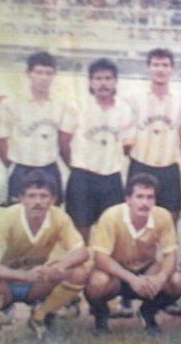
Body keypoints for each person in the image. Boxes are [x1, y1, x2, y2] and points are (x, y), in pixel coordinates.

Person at [0, 170, 90, 342]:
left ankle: (40, 317)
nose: (38, 202)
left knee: (79, 273)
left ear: (53, 199)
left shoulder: (58, 217)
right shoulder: (6, 218)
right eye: (32, 196)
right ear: (21, 198)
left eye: (44, 196)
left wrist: (60, 266)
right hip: (6, 283)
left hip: (37, 282)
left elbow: (82, 252)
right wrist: (23, 275)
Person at [84, 173, 181, 333]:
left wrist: (160, 278)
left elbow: (170, 254)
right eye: (139, 197)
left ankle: (148, 311)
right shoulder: (111, 216)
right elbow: (100, 258)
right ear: (128, 199)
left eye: (150, 197)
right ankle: (101, 314)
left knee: (177, 281)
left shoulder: (162, 216)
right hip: (116, 273)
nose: (145, 203)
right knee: (97, 282)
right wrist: (131, 279)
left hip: (146, 270)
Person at [60, 58, 133, 242]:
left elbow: (128, 145)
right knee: (80, 234)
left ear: (115, 82)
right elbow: (63, 142)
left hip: (111, 178)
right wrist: (75, 167)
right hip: (82, 177)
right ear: (90, 82)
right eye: (98, 78)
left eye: (108, 78)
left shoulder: (124, 109)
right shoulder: (77, 106)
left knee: (110, 233)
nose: (103, 83)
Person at [0, 51, 72, 206]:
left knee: (51, 214)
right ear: (28, 73)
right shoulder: (11, 103)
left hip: (50, 168)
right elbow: (0, 140)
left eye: (48, 73)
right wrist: (12, 166)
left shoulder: (61, 104)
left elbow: (63, 139)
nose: (44, 78)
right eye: (39, 72)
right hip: (21, 169)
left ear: (54, 75)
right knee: (18, 215)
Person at [126, 48, 181, 223]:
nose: (160, 69)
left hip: (169, 167)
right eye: (156, 65)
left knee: (170, 218)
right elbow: (125, 135)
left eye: (165, 65)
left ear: (172, 69)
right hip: (140, 165)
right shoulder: (133, 97)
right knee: (137, 218)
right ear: (148, 68)